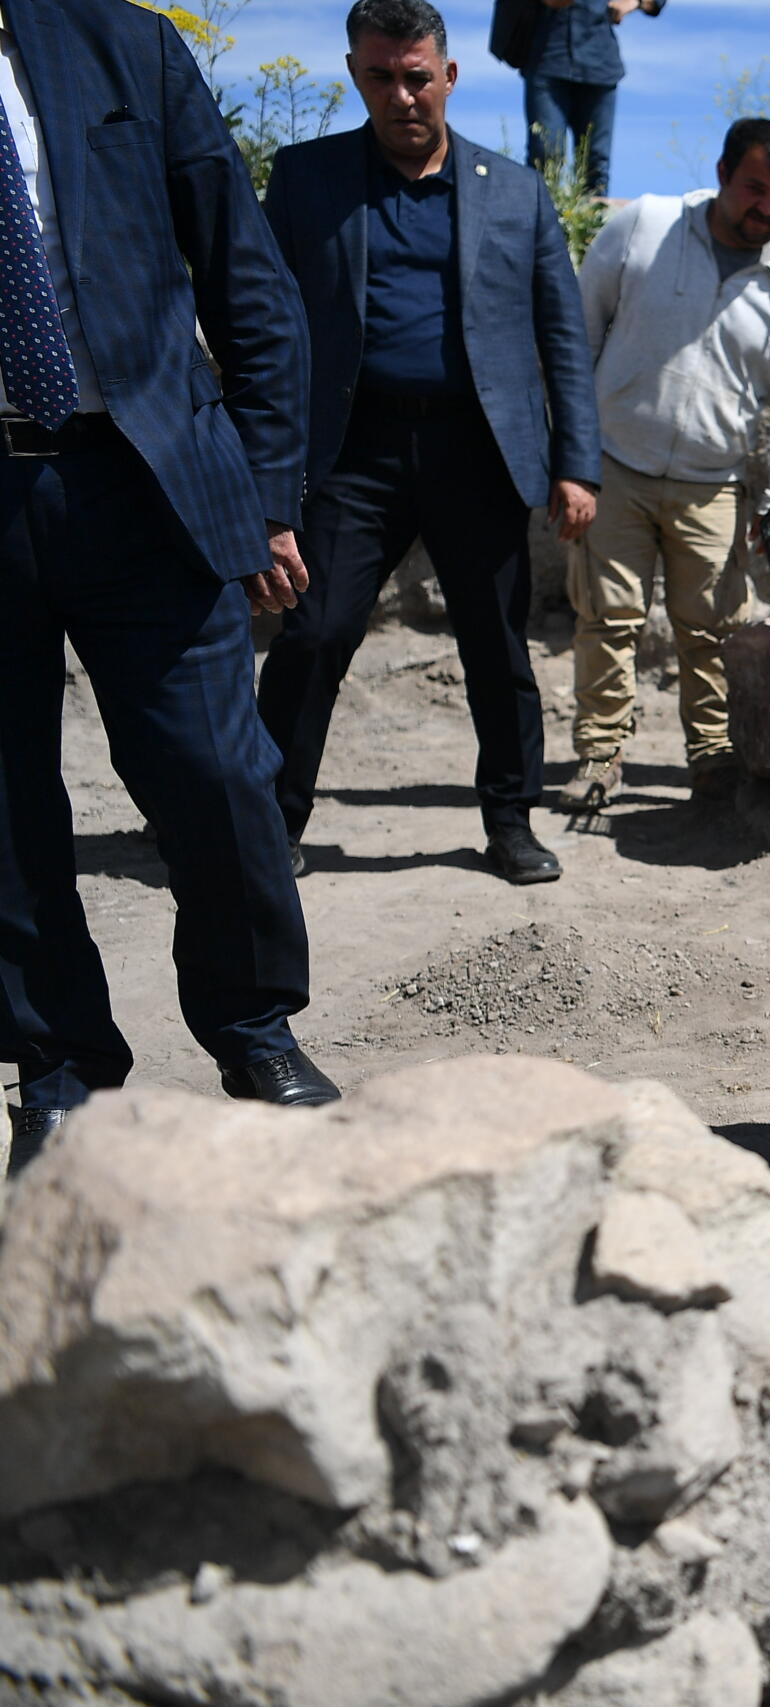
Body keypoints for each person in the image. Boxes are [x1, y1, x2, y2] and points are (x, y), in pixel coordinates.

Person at [2, 0, 340, 1172]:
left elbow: (245, 273)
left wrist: (269, 491)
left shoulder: (127, 46)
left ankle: (252, 1025)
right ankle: (58, 1067)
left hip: (144, 479)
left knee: (217, 772)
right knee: (4, 808)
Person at [258, 0, 599, 886]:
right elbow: (260, 324)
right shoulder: (306, 180)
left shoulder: (514, 191)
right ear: (354, 76)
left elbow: (562, 337)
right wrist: (261, 468)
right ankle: (267, 820)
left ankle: (511, 822)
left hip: (477, 449)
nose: (403, 96)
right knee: (314, 633)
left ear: (449, 77)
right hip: (353, 451)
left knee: (496, 643)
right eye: (382, 77)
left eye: (418, 77)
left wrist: (576, 464)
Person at [564, 116, 770, 810]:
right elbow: (579, 332)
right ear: (721, 174)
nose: (766, 210)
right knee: (606, 619)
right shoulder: (643, 227)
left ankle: (712, 759)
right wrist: (571, 455)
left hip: (714, 486)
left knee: (712, 631)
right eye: (754, 189)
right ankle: (599, 753)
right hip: (615, 465)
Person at [504, 0, 662, 197]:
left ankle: (590, 227)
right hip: (547, 58)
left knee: (595, 165)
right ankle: (539, 222)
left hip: (600, 64)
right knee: (545, 155)